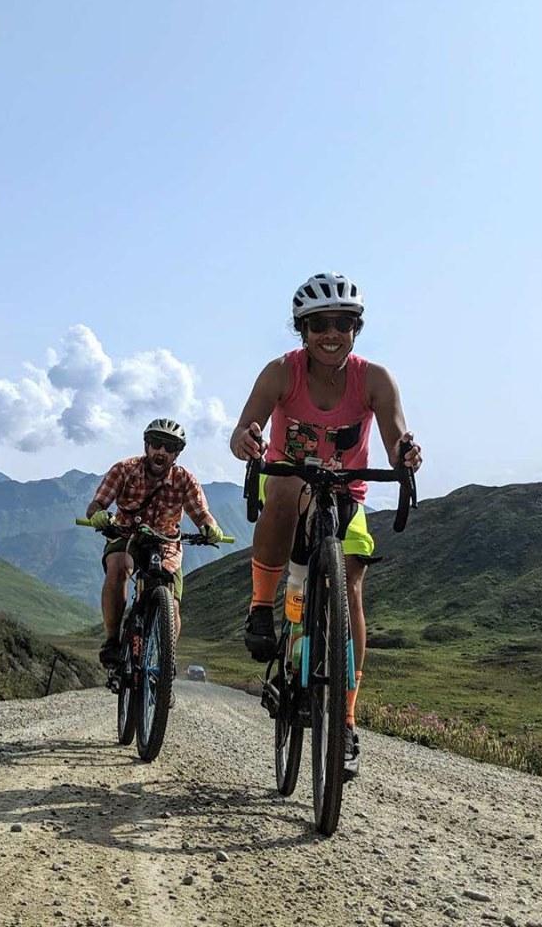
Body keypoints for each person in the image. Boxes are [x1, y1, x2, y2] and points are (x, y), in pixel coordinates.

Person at [229, 272, 422, 776]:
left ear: (356, 328)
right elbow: (241, 430)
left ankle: (347, 721)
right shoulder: (280, 373)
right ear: (302, 330)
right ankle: (261, 608)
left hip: (345, 495)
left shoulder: (374, 379)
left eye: (341, 322)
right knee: (287, 488)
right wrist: (248, 440)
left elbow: (396, 435)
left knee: (352, 588)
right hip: (289, 486)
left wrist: (405, 453)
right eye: (318, 324)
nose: (330, 333)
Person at [86, 418, 225, 668]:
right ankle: (112, 641)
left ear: (177, 454)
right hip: (126, 534)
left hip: (166, 545)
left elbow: (202, 514)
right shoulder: (124, 470)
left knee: (171, 604)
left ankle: (165, 667)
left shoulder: (185, 480)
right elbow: (98, 503)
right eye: (156, 444)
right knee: (118, 567)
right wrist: (98, 515)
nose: (161, 451)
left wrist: (211, 528)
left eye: (169, 447)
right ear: (146, 445)